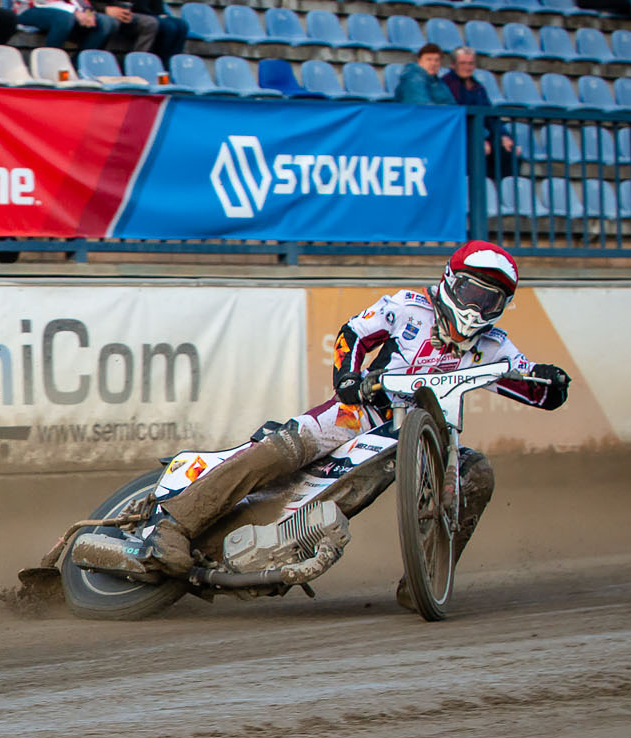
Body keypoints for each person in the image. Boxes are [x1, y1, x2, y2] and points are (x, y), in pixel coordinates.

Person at [137, 243, 569, 586]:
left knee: (478, 474)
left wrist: (553, 383)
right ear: (451, 282)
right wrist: (348, 378)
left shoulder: (494, 345)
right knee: (283, 450)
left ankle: (430, 575)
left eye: (490, 299)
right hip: (361, 410)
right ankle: (172, 525)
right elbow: (353, 333)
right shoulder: (407, 306)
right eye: (473, 292)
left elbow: (532, 386)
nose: (477, 308)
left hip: (430, 440)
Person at [442, 46, 515, 176]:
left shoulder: (478, 87)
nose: (467, 67)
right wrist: (478, 138)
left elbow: (490, 116)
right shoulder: (447, 85)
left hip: (479, 135)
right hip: (459, 137)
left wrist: (504, 136)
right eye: (463, 63)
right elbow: (455, 119)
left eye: (470, 63)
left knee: (505, 149)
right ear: (453, 65)